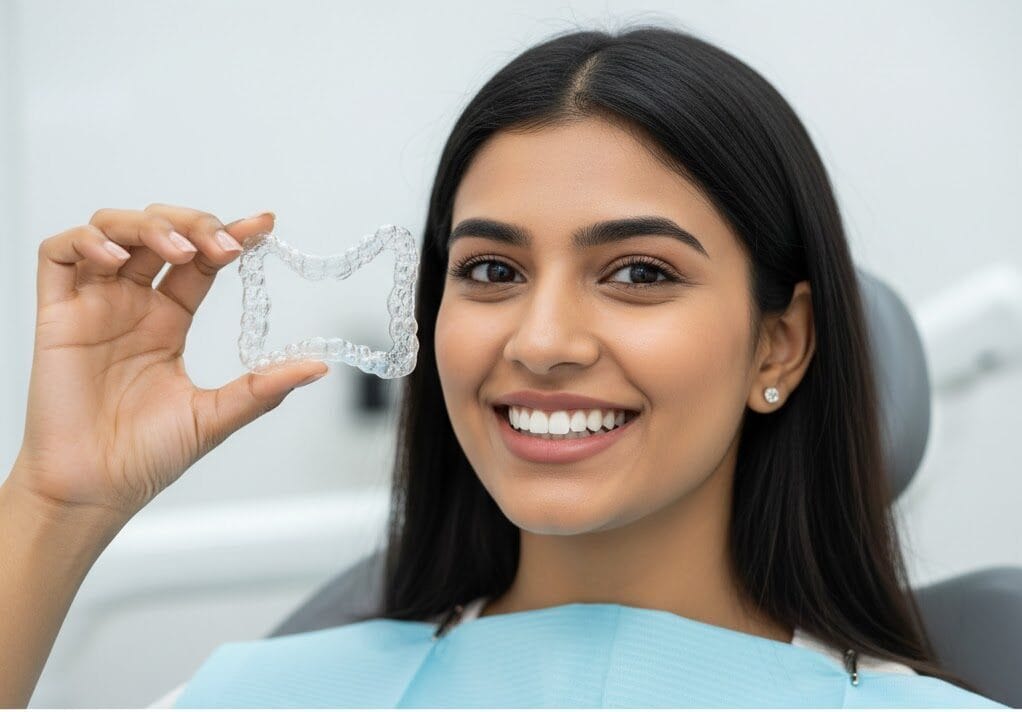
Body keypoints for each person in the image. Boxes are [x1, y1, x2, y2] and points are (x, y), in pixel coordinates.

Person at [0, 22, 1006, 709]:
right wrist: (56, 502)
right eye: (489, 268)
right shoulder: (265, 694)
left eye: (638, 272)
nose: (539, 339)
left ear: (777, 342)